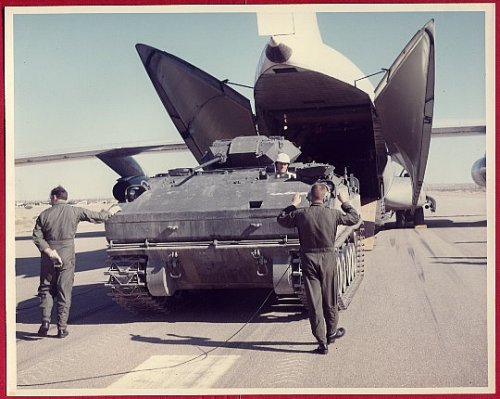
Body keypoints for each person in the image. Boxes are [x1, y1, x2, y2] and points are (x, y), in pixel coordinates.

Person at [277, 182, 360, 354]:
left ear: (309, 197)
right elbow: (354, 218)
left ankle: (322, 342)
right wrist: (344, 202)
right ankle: (331, 332)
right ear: (326, 197)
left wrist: (293, 204)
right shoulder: (333, 214)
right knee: (330, 297)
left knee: (314, 302)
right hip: (327, 258)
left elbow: (281, 219)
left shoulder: (300, 214)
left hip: (308, 259)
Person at [32, 185, 121, 338]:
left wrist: (49, 251)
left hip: (48, 255)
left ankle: (45, 322)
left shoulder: (44, 214)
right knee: (64, 290)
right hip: (66, 254)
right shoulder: (75, 211)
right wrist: (112, 211)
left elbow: (36, 237)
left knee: (46, 289)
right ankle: (61, 328)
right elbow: (98, 217)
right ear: (65, 198)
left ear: (54, 197)